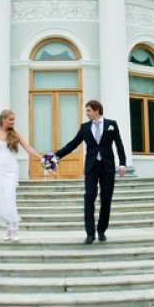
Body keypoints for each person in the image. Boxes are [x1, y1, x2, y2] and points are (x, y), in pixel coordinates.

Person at [53, 99, 127, 245]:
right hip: (91, 167)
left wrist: (122, 163)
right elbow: (72, 144)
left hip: (107, 167)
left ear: (96, 110)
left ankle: (101, 230)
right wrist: (55, 157)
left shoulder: (111, 124)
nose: (86, 113)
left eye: (88, 110)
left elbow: (119, 145)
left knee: (106, 199)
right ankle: (90, 234)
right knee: (89, 197)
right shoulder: (85, 127)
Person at [0, 108, 41, 242]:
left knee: (10, 197)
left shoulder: (15, 134)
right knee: (1, 199)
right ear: (3, 119)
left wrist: (41, 157)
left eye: (13, 119)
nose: (13, 122)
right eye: (11, 119)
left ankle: (14, 228)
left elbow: (28, 147)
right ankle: (8, 227)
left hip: (11, 169)